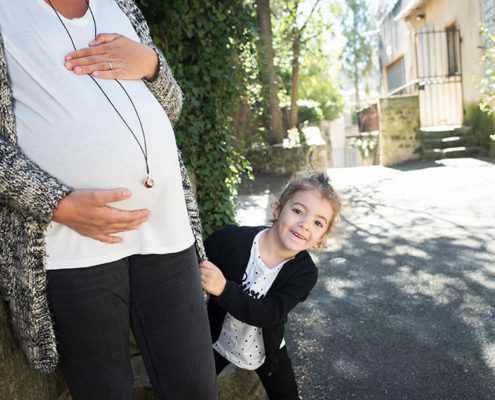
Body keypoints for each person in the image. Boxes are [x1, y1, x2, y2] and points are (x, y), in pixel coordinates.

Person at [0, 1, 216, 399]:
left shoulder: (121, 5)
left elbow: (172, 107)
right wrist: (57, 204)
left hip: (166, 230)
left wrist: (151, 64)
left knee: (196, 390)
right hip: (73, 247)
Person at [200, 172, 341, 400]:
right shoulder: (229, 240)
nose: (305, 225)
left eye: (317, 222)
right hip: (216, 340)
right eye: (298, 211)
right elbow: (193, 265)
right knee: (190, 389)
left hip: (264, 348)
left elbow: (269, 314)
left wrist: (224, 289)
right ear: (277, 209)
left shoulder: (305, 274)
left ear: (321, 237)